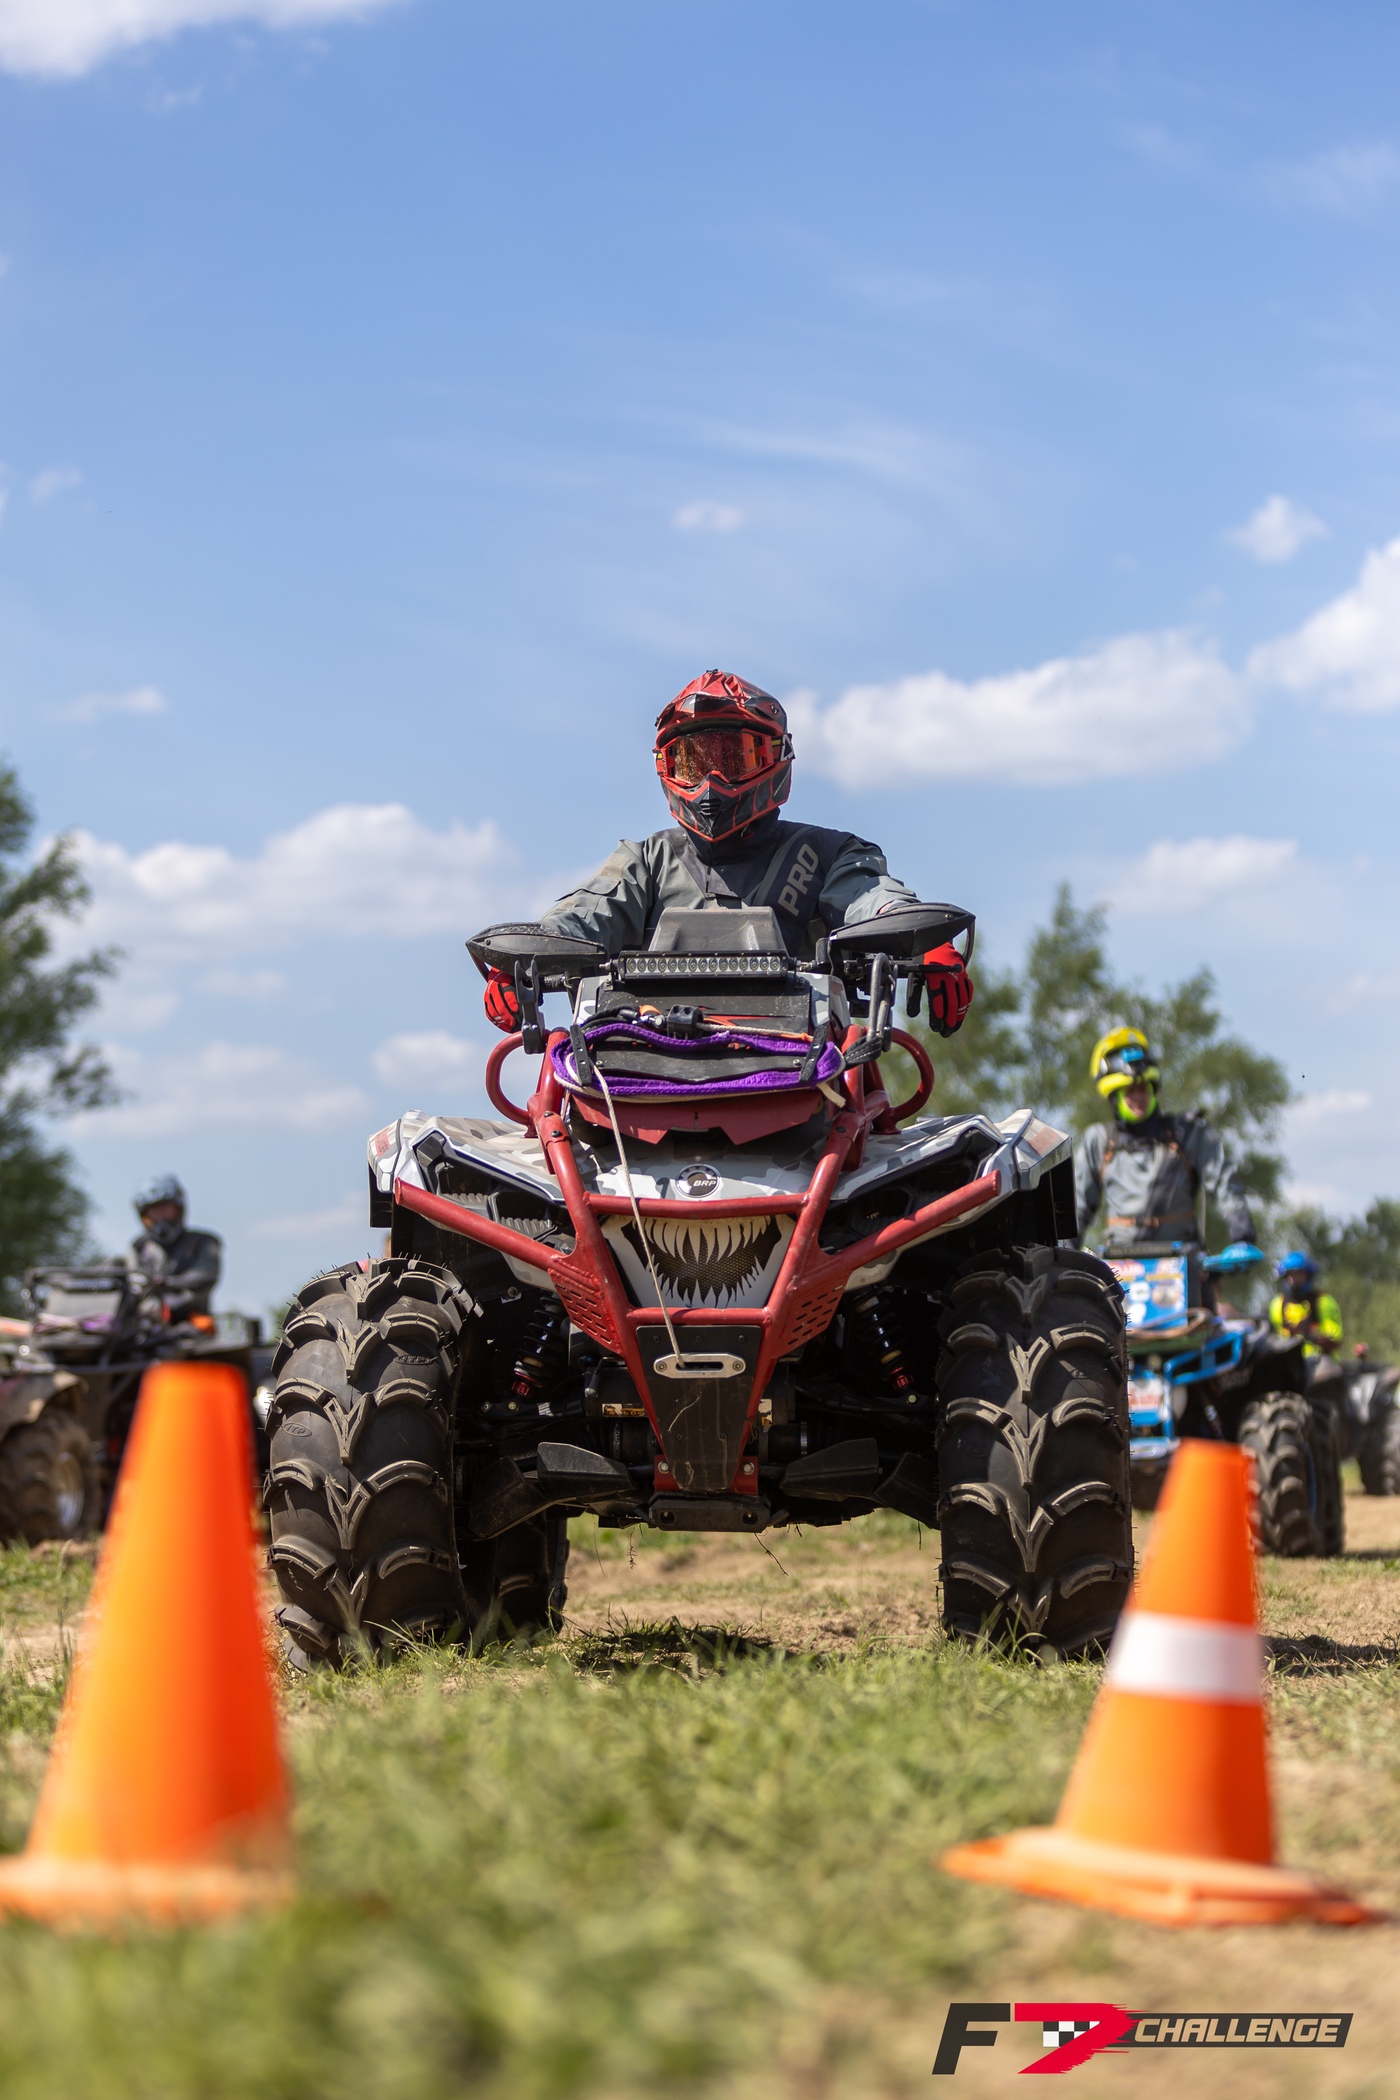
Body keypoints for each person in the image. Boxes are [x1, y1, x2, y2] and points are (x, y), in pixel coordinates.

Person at [480, 668, 974, 1034]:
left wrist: (920, 939)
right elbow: (582, 917)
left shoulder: (828, 853)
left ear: (775, 758)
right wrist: (522, 958)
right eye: (693, 763)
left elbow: (872, 898)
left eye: (734, 758)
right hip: (640, 1062)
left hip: (805, 1063)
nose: (711, 782)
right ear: (666, 767)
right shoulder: (646, 860)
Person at [1075, 1027, 1256, 1254]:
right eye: (1130, 1092)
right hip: (1118, 1264)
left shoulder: (1188, 1132)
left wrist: (1242, 1237)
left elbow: (1224, 1181)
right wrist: (1059, 1257)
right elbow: (1076, 1206)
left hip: (1185, 1262)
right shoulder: (1099, 1141)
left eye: (1143, 1089)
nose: (1138, 1097)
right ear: (1114, 1097)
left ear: (1154, 1089)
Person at [129, 1174, 223, 1324]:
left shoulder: (204, 1242)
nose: (161, 1218)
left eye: (165, 1210)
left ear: (179, 1210)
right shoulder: (138, 1248)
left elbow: (203, 1279)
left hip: (190, 1322)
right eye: (154, 1211)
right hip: (144, 1323)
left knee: (202, 1326)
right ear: (144, 1216)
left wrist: (166, 1290)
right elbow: (132, 1283)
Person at [1269, 1251, 1344, 1358]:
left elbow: (1335, 1338)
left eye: (1298, 1274)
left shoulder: (1323, 1301)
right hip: (1289, 1362)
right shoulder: (1277, 1304)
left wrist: (1315, 1338)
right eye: (1291, 1275)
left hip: (1319, 1360)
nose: (1294, 1280)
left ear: (1308, 1275)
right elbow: (1276, 1336)